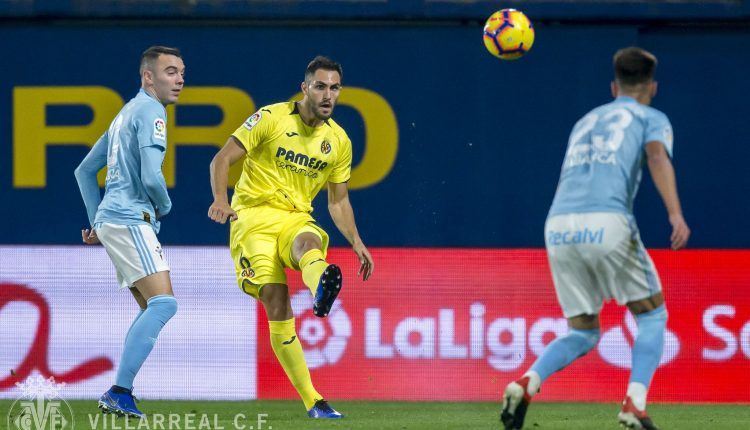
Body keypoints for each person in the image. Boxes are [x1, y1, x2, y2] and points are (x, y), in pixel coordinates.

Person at [500, 47, 690, 430]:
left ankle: (526, 382)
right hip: (608, 220)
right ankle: (634, 404)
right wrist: (674, 213)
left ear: (613, 86)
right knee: (652, 315)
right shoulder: (652, 117)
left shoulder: (586, 120)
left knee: (583, 331)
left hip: (558, 224)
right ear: (651, 87)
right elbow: (656, 156)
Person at [208, 55, 374, 419]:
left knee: (309, 245)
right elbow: (221, 160)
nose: (327, 95)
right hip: (251, 219)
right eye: (320, 86)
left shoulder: (338, 141)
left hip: (295, 217)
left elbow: (338, 199)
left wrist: (357, 241)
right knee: (277, 301)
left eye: (334, 88)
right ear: (305, 87)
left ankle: (321, 288)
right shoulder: (270, 118)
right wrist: (221, 200)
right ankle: (314, 400)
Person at [74, 46, 185, 418]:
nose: (179, 79)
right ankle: (120, 390)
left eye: (181, 72)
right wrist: (165, 205)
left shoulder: (124, 114)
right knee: (164, 303)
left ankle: (121, 390)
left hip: (113, 219)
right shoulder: (152, 112)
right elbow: (152, 176)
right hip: (130, 218)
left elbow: (84, 171)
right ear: (147, 77)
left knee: (149, 306)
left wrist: (96, 222)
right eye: (170, 71)